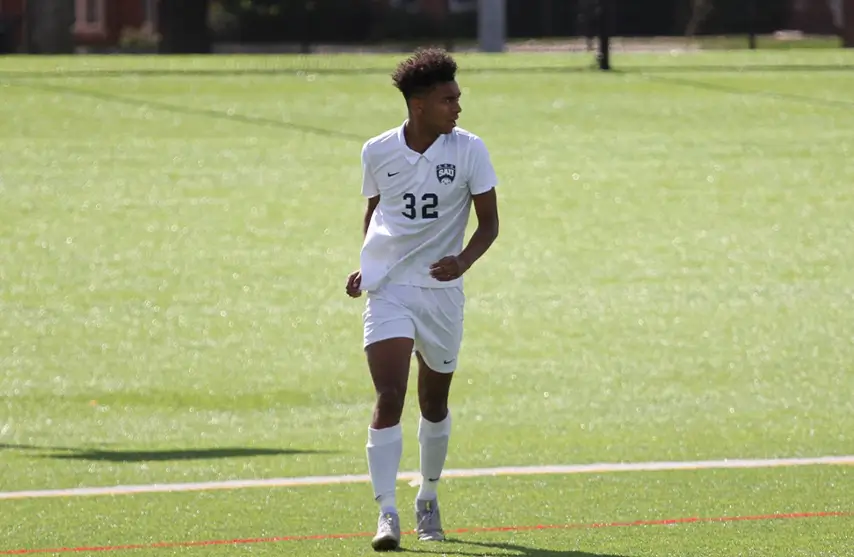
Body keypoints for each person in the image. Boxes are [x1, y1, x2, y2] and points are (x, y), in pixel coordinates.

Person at [345, 47, 500, 551]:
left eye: (458, 98)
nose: (458, 108)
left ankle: (427, 495)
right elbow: (376, 212)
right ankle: (386, 512)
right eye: (447, 99)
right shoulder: (378, 151)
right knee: (389, 395)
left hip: (442, 294)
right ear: (418, 105)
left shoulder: (470, 150)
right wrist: (366, 265)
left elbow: (490, 224)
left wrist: (463, 262)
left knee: (433, 402)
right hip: (391, 290)